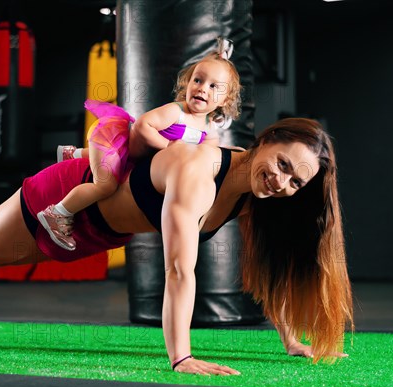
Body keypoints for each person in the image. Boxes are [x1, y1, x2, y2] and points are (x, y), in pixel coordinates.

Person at [0, 117, 354, 376]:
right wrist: (181, 357)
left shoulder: (250, 195)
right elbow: (180, 270)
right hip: (66, 198)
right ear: (268, 140)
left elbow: (266, 263)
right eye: (285, 165)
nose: (282, 183)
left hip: (98, 234)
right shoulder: (201, 170)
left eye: (295, 184)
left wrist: (290, 337)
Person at [36, 38, 242, 251]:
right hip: (112, 137)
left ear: (225, 100)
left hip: (131, 154)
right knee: (106, 186)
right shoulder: (176, 111)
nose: (202, 89)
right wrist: (168, 147)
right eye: (197, 80)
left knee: (123, 161)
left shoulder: (209, 131)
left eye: (213, 86)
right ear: (187, 84)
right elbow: (143, 126)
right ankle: (57, 213)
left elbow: (208, 158)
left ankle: (75, 155)